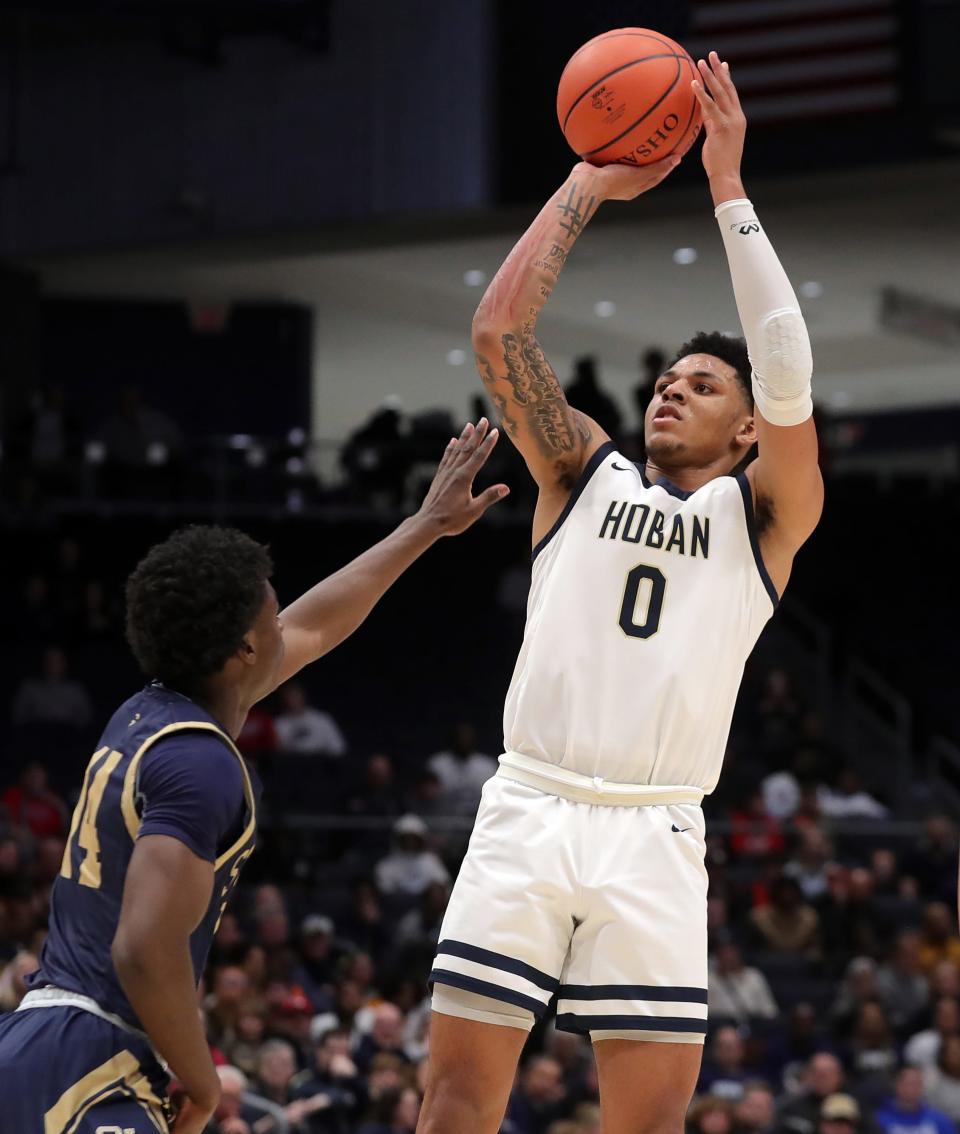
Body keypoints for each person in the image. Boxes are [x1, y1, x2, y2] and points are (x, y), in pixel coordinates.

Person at [422, 53, 822, 1134]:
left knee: (642, 1126)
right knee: (456, 1101)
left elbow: (788, 365)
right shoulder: (580, 472)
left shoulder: (764, 518)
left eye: (701, 387)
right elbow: (501, 338)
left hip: (656, 832)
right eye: (664, 382)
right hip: (530, 805)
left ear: (747, 429)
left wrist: (728, 189)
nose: (669, 394)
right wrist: (588, 184)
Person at [0, 422, 507, 1134]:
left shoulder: (148, 712)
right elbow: (144, 948)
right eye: (272, 612)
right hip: (91, 1061)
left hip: (40, 1041)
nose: (284, 622)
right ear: (242, 648)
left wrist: (425, 526)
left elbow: (318, 628)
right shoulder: (201, 761)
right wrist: (204, 1083)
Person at [875, 1066, 956, 1134]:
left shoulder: (938, 1120)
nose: (912, 1089)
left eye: (917, 1084)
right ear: (896, 1085)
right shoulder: (880, 1119)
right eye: (908, 1084)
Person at [274, 682, 347, 758]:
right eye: (290, 697)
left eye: (296, 696)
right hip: (293, 764)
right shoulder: (279, 723)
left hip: (320, 763)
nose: (293, 701)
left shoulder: (321, 719)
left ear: (303, 697)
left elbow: (338, 747)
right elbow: (278, 751)